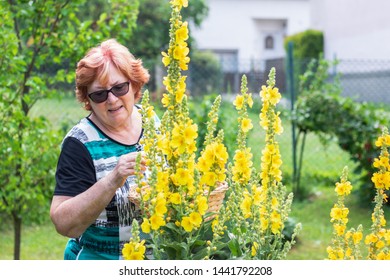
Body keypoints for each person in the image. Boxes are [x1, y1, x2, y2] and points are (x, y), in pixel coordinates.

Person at [50, 39, 158, 260]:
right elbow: (63, 223)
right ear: (88, 100)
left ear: (134, 85)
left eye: (119, 88)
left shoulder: (153, 121)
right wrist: (112, 180)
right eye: (99, 94)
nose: (112, 99)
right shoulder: (80, 142)